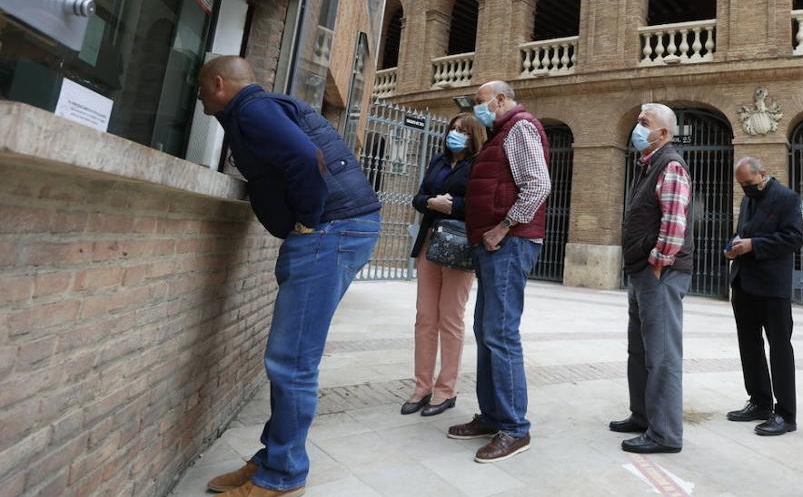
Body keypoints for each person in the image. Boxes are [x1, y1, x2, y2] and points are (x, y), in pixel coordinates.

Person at [196, 56, 381, 497]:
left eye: (202, 87)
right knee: (290, 359)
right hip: (341, 228)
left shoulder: (253, 110)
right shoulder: (258, 109)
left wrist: (309, 219)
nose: (199, 95)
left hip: (330, 230)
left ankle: (282, 477)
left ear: (219, 83)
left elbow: (303, 157)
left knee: (292, 362)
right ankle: (272, 457)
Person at [447, 81, 551, 464]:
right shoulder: (500, 133)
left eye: (480, 102)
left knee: (501, 332)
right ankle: (492, 415)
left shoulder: (520, 126)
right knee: (486, 330)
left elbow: (538, 185)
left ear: (501, 99)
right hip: (493, 244)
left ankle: (514, 428)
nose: (477, 110)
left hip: (508, 242)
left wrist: (504, 226)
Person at [608, 103, 693, 454]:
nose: (637, 127)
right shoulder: (646, 165)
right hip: (642, 271)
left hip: (659, 272)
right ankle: (642, 415)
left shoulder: (669, 164)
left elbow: (674, 222)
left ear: (663, 133)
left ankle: (665, 434)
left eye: (645, 123)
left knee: (662, 355)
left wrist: (658, 261)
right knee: (639, 349)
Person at [401, 113, 487, 418]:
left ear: (474, 136)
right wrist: (430, 203)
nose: (455, 134)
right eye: (453, 129)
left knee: (450, 318)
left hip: (459, 247)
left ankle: (445, 389)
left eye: (462, 131)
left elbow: (482, 204)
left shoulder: (479, 164)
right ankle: (421, 386)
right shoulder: (438, 161)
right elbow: (419, 196)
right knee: (425, 317)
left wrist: (454, 206)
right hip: (429, 242)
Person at [724, 156, 803, 436]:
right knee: (749, 345)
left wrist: (754, 245)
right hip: (744, 283)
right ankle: (759, 401)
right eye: (742, 184)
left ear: (763, 174)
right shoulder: (747, 200)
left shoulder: (787, 198)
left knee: (780, 348)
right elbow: (742, 232)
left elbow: (795, 238)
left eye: (748, 182)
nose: (746, 188)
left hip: (773, 287)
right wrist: (733, 246)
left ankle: (786, 414)